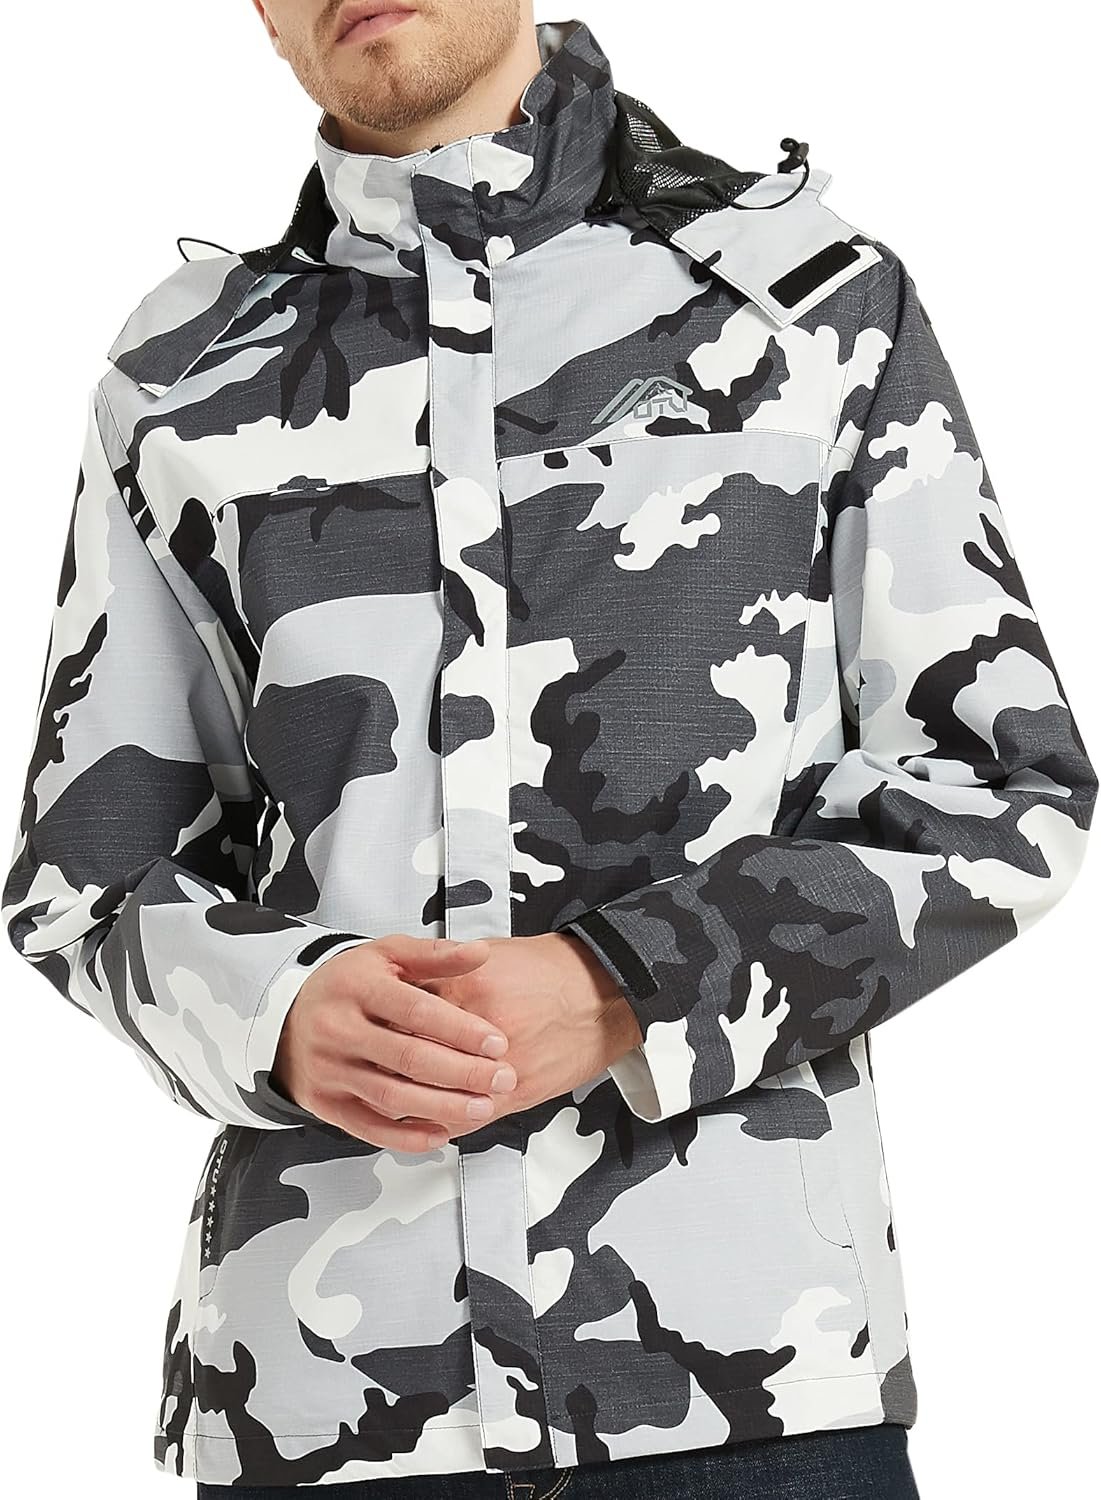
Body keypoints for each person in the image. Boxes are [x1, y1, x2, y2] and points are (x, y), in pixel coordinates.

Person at [3, 3, 1096, 1497]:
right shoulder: (181, 374)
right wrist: (274, 1007)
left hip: (746, 1391)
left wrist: (627, 985)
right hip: (324, 1406)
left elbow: (998, 786)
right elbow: (84, 871)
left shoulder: (810, 301)